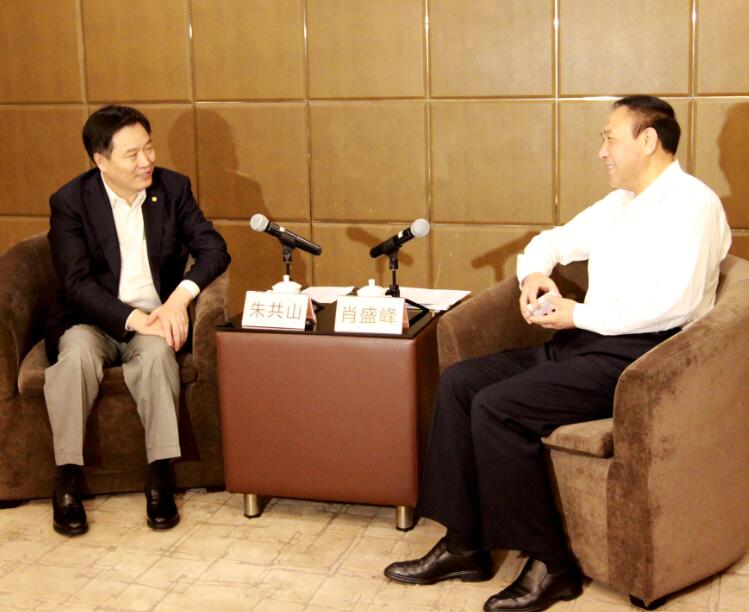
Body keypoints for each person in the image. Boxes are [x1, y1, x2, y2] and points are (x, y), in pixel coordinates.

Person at [383, 96, 731, 612]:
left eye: (609, 138)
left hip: (639, 362)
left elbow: (671, 305)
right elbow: (551, 242)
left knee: (497, 407)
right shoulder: (622, 203)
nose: (601, 151)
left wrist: (577, 314)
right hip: (584, 344)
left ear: (648, 140)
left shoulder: (693, 205)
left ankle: (553, 564)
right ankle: (465, 546)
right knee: (459, 383)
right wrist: (534, 276)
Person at [44, 105, 230, 536]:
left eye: (149, 147)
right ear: (101, 160)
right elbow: (75, 283)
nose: (146, 161)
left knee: (159, 357)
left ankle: (160, 475)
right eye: (132, 154)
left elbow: (214, 249)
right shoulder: (70, 201)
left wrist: (179, 299)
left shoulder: (173, 188)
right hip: (91, 319)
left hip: (156, 315)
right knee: (75, 359)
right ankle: (66, 477)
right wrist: (131, 318)